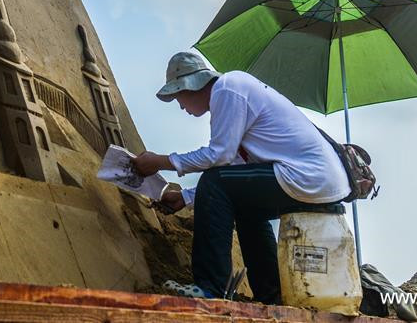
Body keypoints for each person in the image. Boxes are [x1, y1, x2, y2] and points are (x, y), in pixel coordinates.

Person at [131, 51, 351, 304]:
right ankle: (272, 294)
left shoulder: (228, 88)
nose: (181, 106)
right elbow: (236, 165)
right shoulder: (230, 96)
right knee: (244, 208)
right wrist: (185, 197)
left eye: (179, 97)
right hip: (318, 181)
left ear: (190, 86)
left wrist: (160, 161)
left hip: (308, 177)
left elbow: (219, 156)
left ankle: (211, 287)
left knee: (215, 180)